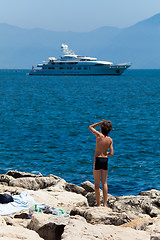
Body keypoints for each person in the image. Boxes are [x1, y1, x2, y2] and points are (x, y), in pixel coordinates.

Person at [89, 120, 114, 207]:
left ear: (101, 129)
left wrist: (100, 122)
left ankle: (98, 204)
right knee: (104, 183)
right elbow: (111, 154)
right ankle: (105, 204)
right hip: (105, 160)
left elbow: (90, 127)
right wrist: (106, 153)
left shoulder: (99, 135)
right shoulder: (110, 140)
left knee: (97, 184)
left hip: (97, 159)